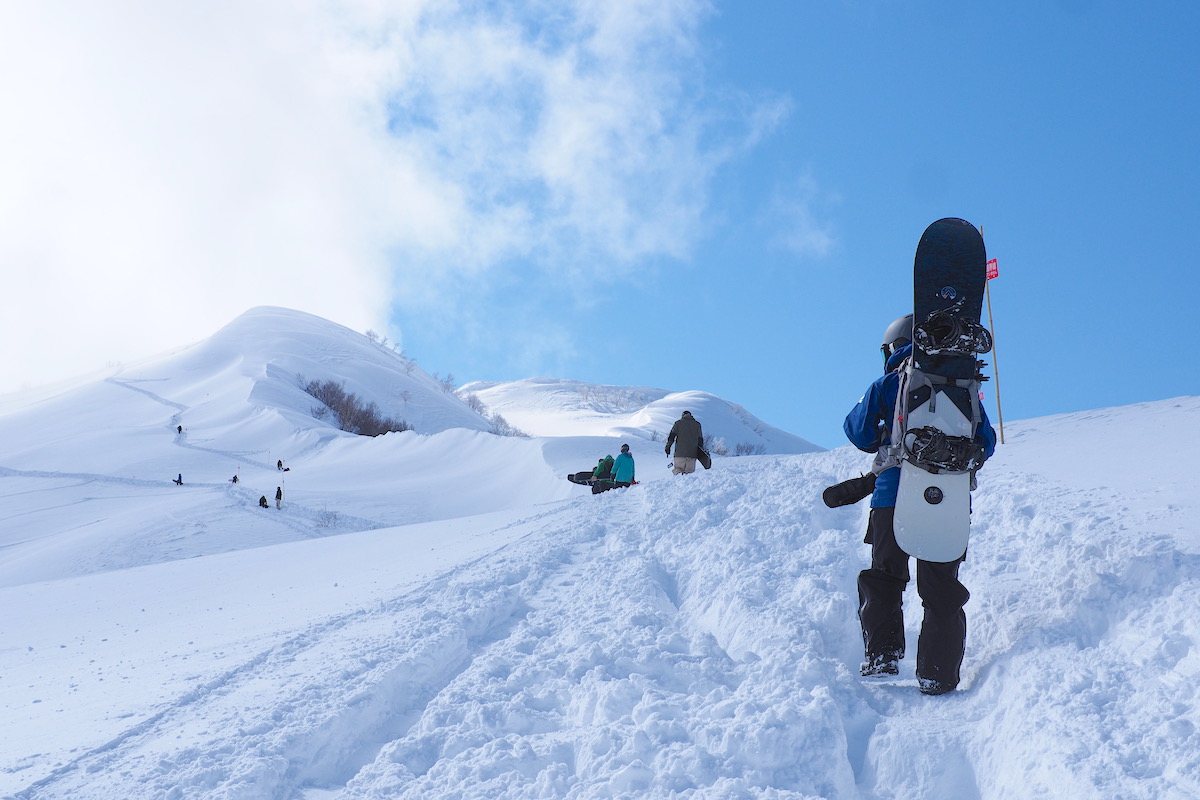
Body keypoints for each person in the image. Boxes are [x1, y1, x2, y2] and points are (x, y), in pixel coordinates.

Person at [843, 313, 997, 695]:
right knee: (941, 585)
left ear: (892, 347)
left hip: (892, 496)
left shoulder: (890, 382)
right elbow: (986, 442)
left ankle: (882, 657)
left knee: (885, 575)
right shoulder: (964, 384)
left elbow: (858, 432)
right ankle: (938, 674)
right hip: (948, 499)